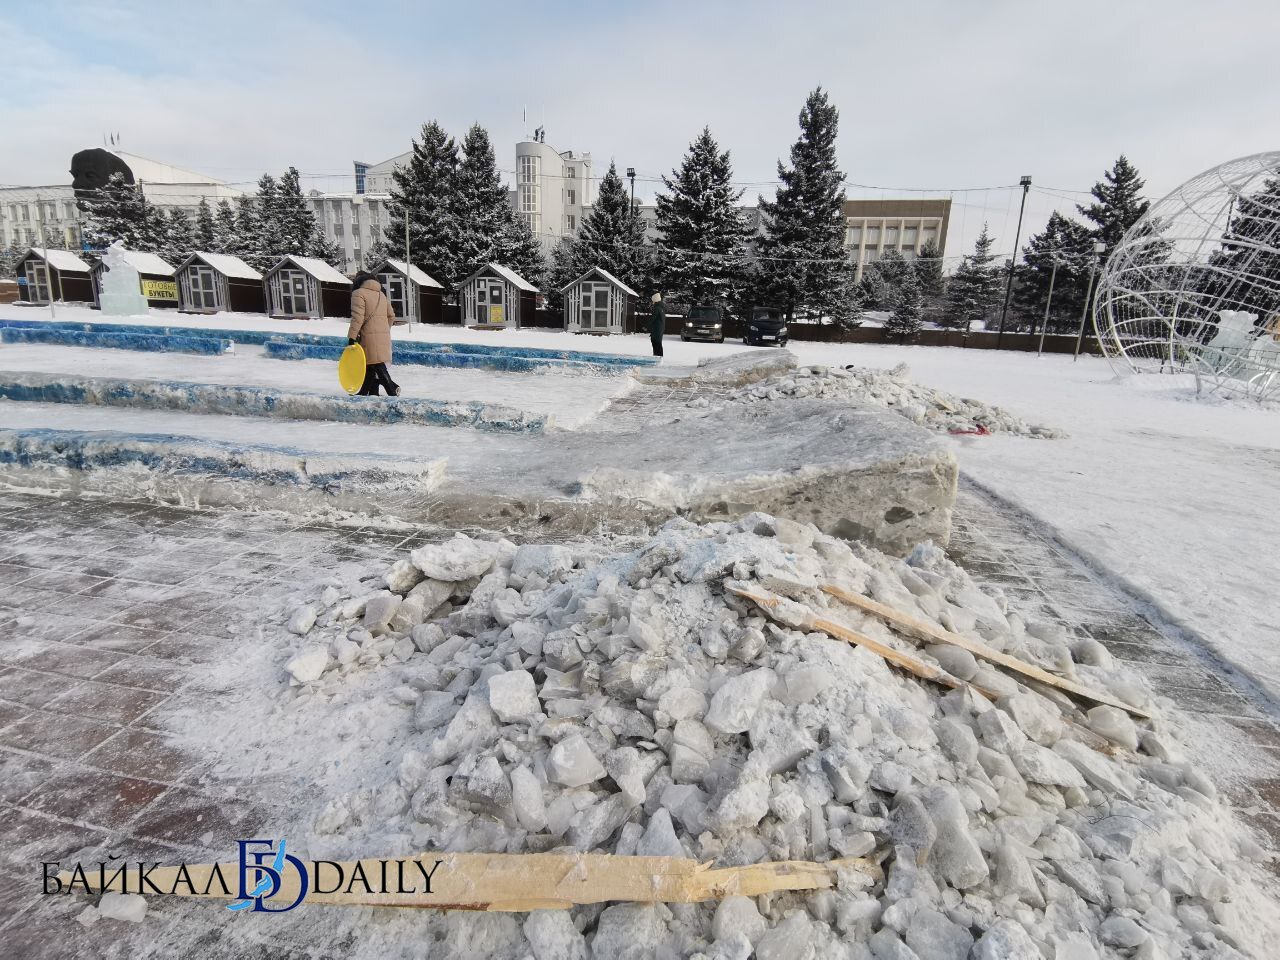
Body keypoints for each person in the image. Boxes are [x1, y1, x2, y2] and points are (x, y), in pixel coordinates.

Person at [348, 272, 401, 396]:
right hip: (383, 336)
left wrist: (352, 337)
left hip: (368, 336)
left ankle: (392, 391)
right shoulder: (381, 294)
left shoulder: (358, 294)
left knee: (377, 365)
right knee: (370, 365)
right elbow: (391, 316)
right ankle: (369, 393)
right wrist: (384, 330)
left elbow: (357, 318)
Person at [649, 292, 665, 358]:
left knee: (655, 342)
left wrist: (646, 326)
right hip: (659, 328)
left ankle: (657, 357)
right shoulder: (661, 308)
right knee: (658, 342)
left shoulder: (657, 308)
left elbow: (653, 318)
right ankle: (659, 357)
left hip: (656, 329)